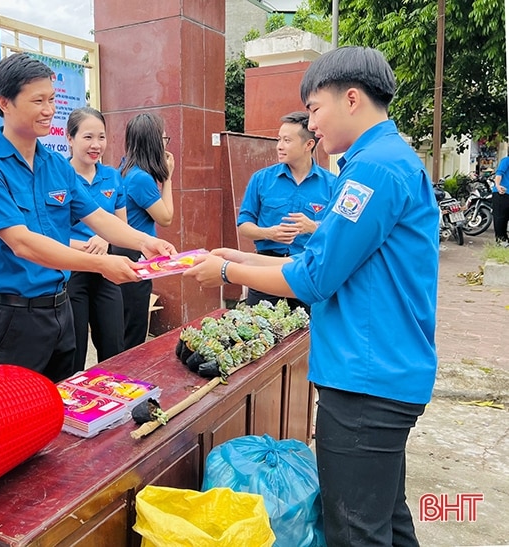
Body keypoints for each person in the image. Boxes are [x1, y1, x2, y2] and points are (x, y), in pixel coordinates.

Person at [184, 46, 438, 546]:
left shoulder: (372, 170)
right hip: (382, 370)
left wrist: (229, 270)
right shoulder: (385, 160)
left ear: (350, 99)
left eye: (314, 109)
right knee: (386, 517)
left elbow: (314, 279)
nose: (311, 124)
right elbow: (320, 263)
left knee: (355, 528)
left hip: (366, 378)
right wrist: (239, 259)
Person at [0, 53, 175, 383]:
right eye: (38, 100)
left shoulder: (56, 166)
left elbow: (99, 218)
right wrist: (103, 264)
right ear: (5, 102)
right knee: (18, 420)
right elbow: (23, 244)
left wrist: (146, 241)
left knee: (67, 409)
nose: (49, 110)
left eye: (51, 99)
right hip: (16, 319)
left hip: (61, 312)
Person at [237, 111, 337, 311]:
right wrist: (269, 233)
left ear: (309, 145)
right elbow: (244, 225)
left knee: (308, 334)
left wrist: (313, 227)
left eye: (287, 140)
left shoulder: (332, 185)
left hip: (307, 269)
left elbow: (338, 231)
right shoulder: (261, 179)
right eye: (279, 139)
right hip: (265, 265)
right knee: (259, 332)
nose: (279, 146)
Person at [66, 107, 126, 371]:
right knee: (74, 349)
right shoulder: (59, 177)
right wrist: (85, 246)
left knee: (113, 345)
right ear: (70, 138)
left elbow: (120, 224)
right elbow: (46, 232)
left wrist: (104, 240)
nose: (96, 145)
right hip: (72, 271)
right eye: (88, 137)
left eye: (101, 137)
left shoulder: (112, 176)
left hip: (107, 270)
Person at [112, 113, 174, 350]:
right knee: (135, 329)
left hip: (123, 252)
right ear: (152, 143)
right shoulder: (141, 179)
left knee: (125, 324)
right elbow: (166, 217)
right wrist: (168, 178)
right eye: (163, 139)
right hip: (136, 255)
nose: (165, 144)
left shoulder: (124, 169)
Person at [492, 155, 509, 246]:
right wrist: (498, 185)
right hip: (501, 193)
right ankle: (501, 240)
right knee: (500, 218)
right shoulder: (506, 161)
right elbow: (499, 173)